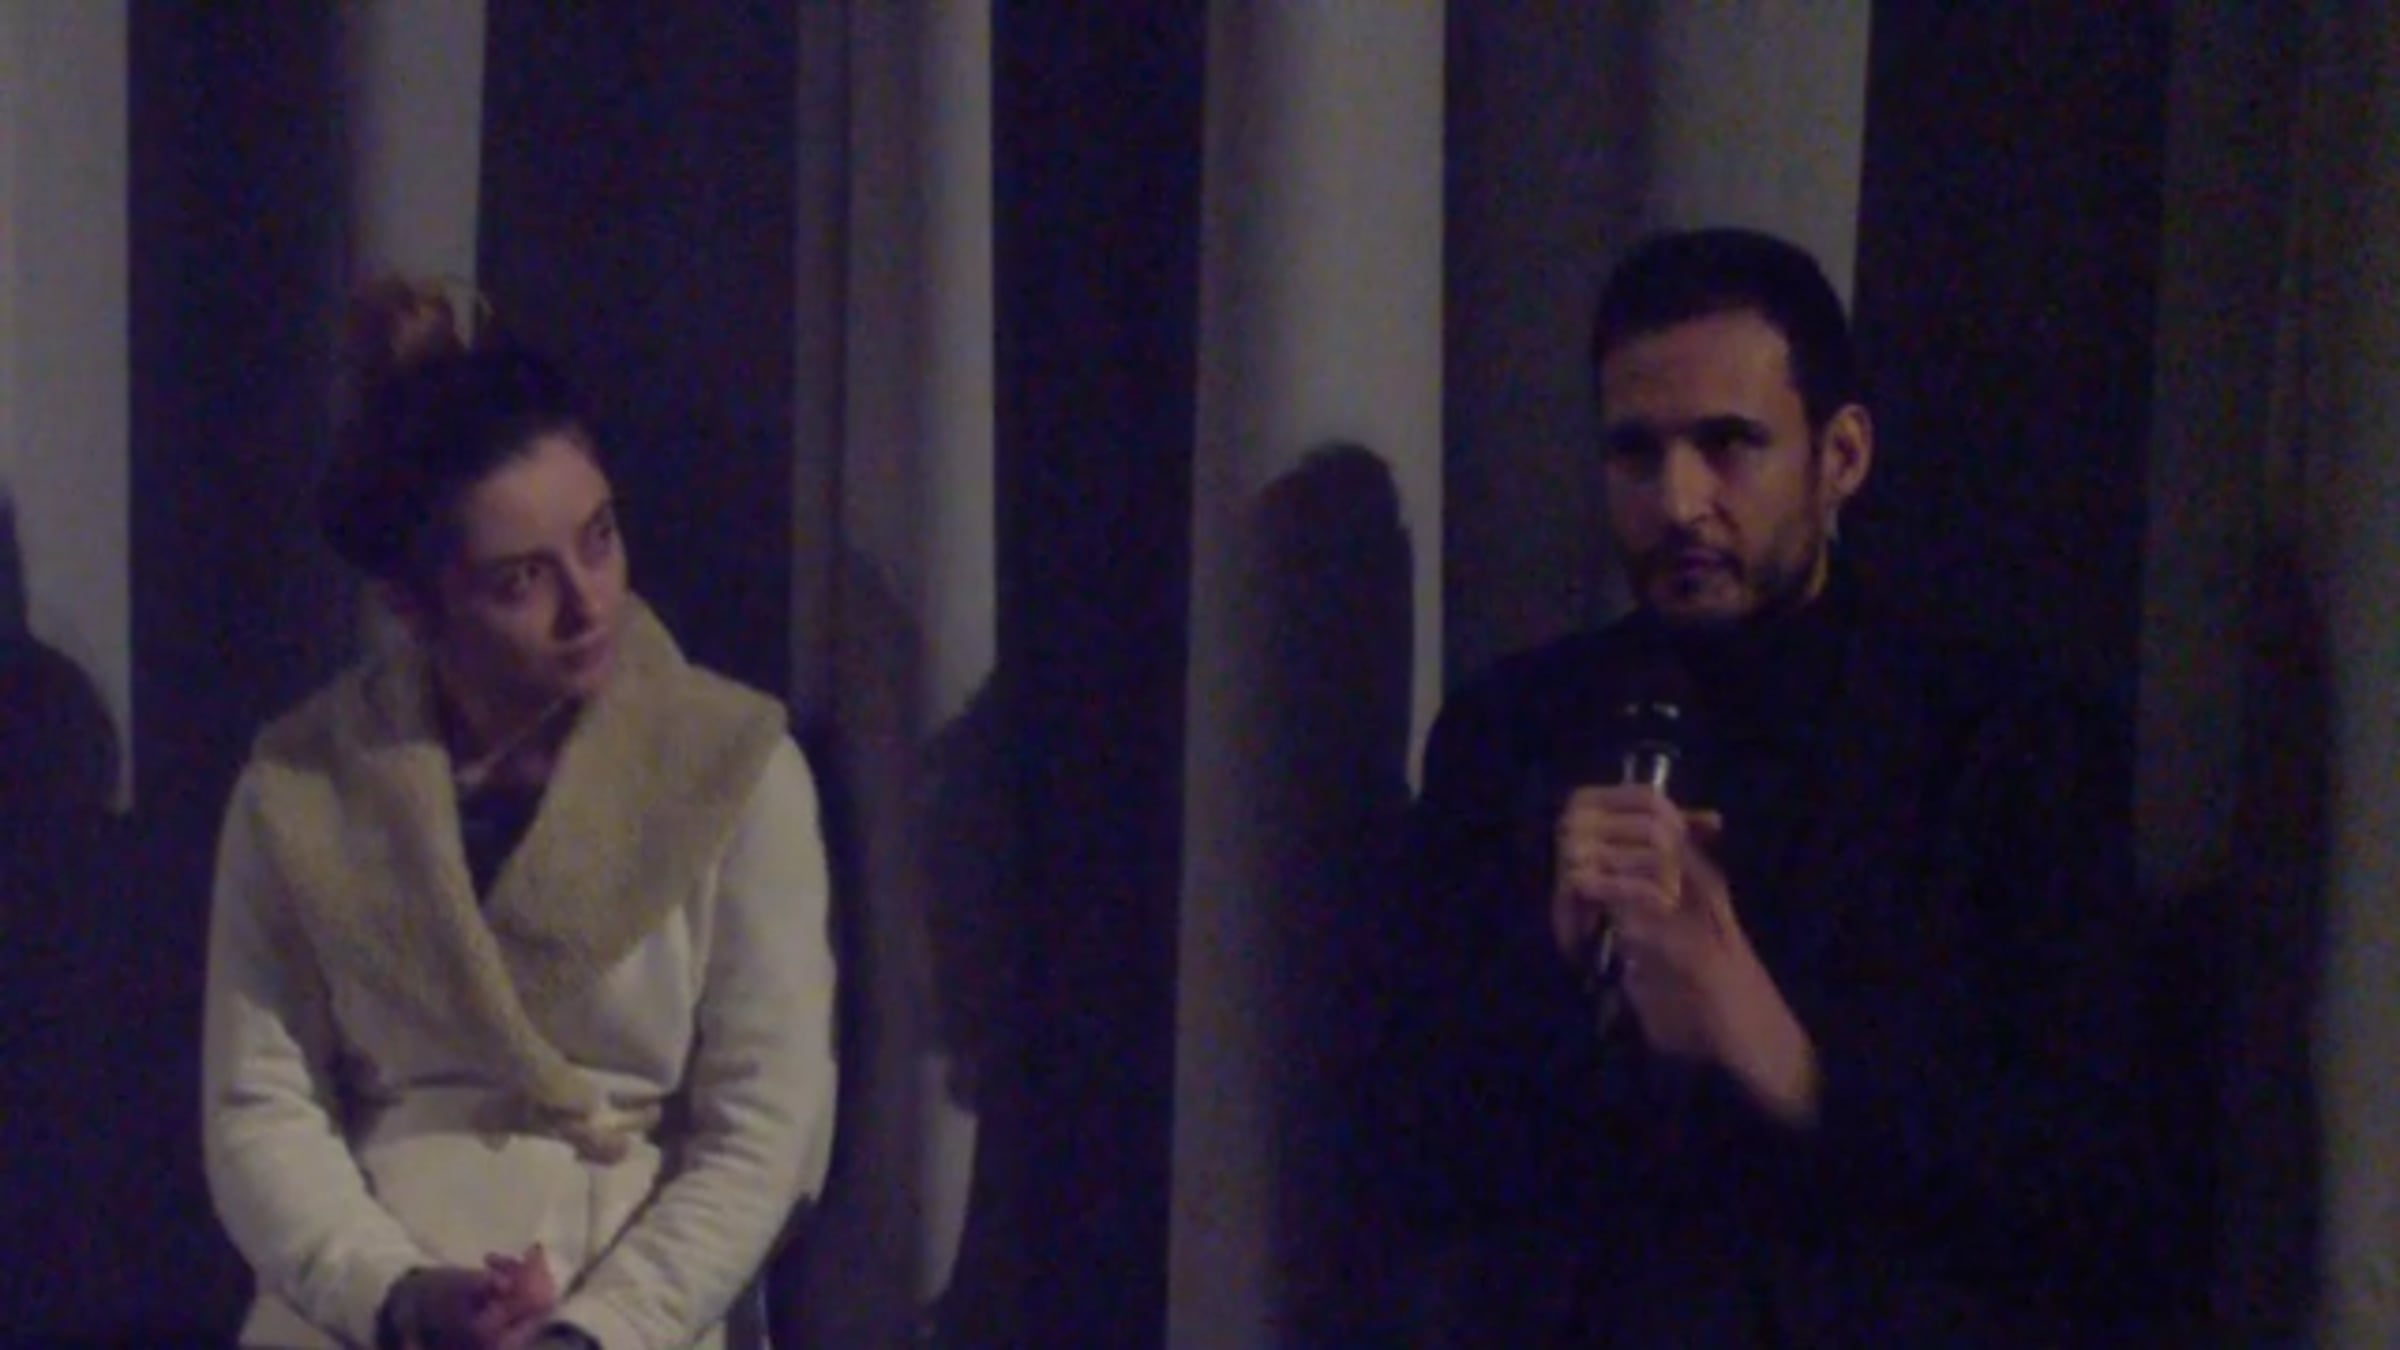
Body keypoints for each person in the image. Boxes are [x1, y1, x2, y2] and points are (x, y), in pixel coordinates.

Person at [1389, 228, 2165, 1345]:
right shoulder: (1513, 734)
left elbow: (2092, 1187)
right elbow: (1411, 1148)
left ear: (1840, 456)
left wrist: (1788, 1064)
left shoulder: (2003, 744)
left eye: (1729, 445)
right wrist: (1548, 966)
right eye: (1636, 453)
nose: (1678, 502)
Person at [200, 279, 839, 1350]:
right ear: (414, 604)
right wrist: (397, 1295)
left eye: (600, 538)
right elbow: (260, 1107)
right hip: (369, 1298)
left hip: (634, 1287)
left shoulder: (735, 766)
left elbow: (768, 1125)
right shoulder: (302, 791)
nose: (588, 603)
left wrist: (596, 1330)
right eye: (521, 580)